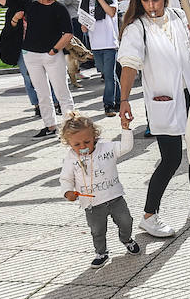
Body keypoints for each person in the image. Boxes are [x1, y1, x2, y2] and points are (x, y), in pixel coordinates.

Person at [117, 0, 190, 237]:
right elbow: (129, 65)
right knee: (171, 159)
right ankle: (149, 215)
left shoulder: (178, 15)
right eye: (144, 0)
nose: (151, 5)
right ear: (138, 1)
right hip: (163, 99)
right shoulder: (136, 27)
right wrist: (124, 100)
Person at [59, 111, 140, 268]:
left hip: (115, 197)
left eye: (87, 142)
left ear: (94, 137)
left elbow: (126, 147)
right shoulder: (71, 158)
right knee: (97, 230)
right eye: (77, 144)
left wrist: (126, 129)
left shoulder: (106, 148)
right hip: (92, 203)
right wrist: (67, 191)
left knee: (126, 221)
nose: (82, 147)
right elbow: (66, 178)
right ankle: (101, 252)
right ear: (69, 143)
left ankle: (126, 239)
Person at [10, 0, 75, 137]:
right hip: (31, 55)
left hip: (52, 55)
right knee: (42, 92)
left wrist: (53, 50)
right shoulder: (29, 5)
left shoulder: (59, 8)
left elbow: (68, 33)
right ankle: (50, 125)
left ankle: (71, 125)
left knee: (62, 91)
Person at [78, 0, 122, 116]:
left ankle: (108, 105)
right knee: (108, 74)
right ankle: (119, 101)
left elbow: (111, 12)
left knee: (109, 75)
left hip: (109, 41)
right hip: (95, 42)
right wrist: (83, 26)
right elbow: (83, 16)